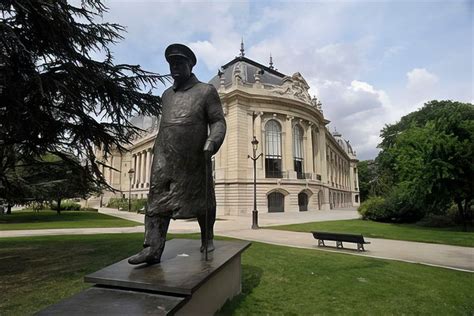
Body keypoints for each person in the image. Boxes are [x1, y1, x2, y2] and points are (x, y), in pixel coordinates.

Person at [128, 44, 226, 265]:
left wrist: (212, 142)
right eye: (172, 64)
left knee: (203, 200)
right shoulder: (166, 95)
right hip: (165, 155)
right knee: (155, 200)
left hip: (195, 155)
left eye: (179, 64)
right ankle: (152, 248)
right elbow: (166, 125)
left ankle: (207, 238)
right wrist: (157, 151)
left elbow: (218, 121)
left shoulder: (206, 90)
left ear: (190, 65)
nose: (175, 68)